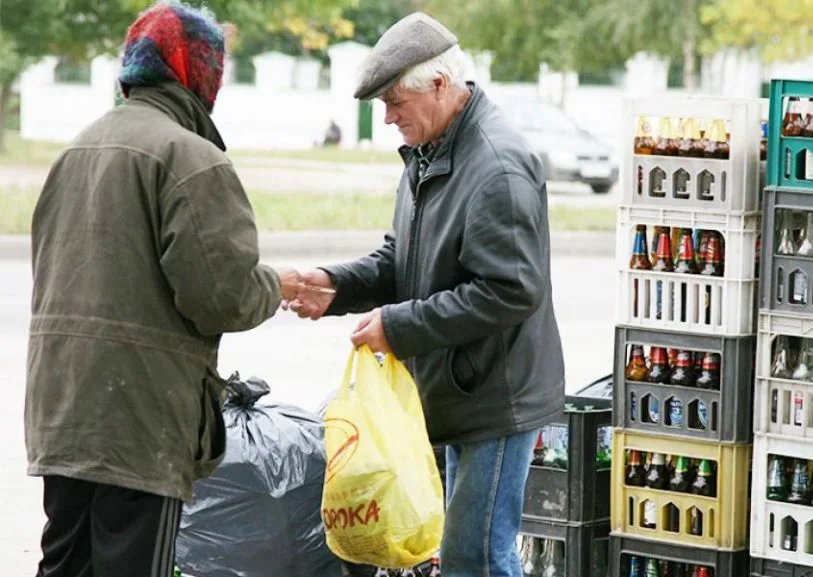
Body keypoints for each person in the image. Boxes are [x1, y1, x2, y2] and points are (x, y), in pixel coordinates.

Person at [25, 3, 305, 576]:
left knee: (66, 562)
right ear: (201, 75)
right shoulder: (191, 159)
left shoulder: (77, 149)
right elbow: (221, 298)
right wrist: (275, 287)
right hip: (139, 423)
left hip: (65, 408)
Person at [283, 12, 565, 577]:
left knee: (477, 557)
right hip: (458, 385)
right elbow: (402, 260)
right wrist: (334, 285)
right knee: (465, 555)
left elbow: (510, 291)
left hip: (496, 394)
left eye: (393, 102)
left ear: (439, 84)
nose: (386, 118)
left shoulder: (497, 165)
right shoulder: (430, 151)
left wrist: (400, 326)